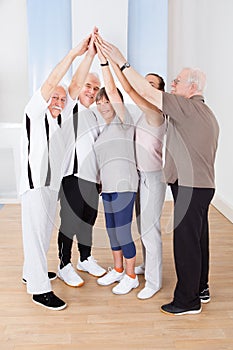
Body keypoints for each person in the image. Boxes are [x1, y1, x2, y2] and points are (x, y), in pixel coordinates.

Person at [99, 39, 219, 315]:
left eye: (176, 82)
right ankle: (201, 287)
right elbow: (130, 90)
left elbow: (137, 88)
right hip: (196, 185)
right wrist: (111, 64)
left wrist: (120, 59)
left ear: (192, 88)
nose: (174, 85)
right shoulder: (200, 111)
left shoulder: (184, 107)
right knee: (198, 238)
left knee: (185, 241)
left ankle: (187, 301)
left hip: (189, 186)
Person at [20, 33, 97, 310]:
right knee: (37, 233)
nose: (59, 101)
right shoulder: (35, 113)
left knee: (39, 233)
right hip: (36, 184)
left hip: (51, 187)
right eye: (54, 97)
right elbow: (55, 82)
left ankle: (31, 273)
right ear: (43, 97)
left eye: (62, 100)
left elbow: (74, 86)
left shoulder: (60, 118)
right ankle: (40, 290)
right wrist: (75, 53)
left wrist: (90, 55)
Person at [109, 63, 167, 299]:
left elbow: (132, 90)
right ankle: (147, 265)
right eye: (144, 82)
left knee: (149, 229)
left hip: (153, 178)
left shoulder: (156, 113)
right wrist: (107, 64)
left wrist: (115, 62)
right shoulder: (139, 115)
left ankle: (154, 282)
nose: (145, 86)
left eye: (151, 84)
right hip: (138, 176)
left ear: (159, 92)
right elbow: (118, 94)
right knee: (141, 227)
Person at [57, 29, 106, 288]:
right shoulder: (70, 106)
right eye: (89, 85)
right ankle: (64, 264)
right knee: (70, 221)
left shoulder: (98, 114)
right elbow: (75, 85)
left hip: (92, 179)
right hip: (72, 176)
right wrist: (89, 54)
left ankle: (84, 258)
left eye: (96, 88)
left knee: (88, 220)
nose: (91, 90)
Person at [93, 37, 139, 295]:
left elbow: (111, 89)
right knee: (112, 230)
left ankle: (131, 275)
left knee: (122, 230)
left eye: (105, 100)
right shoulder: (104, 129)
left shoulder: (125, 119)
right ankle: (119, 269)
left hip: (124, 185)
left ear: (115, 102)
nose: (102, 105)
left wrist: (104, 61)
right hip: (108, 188)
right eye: (98, 102)